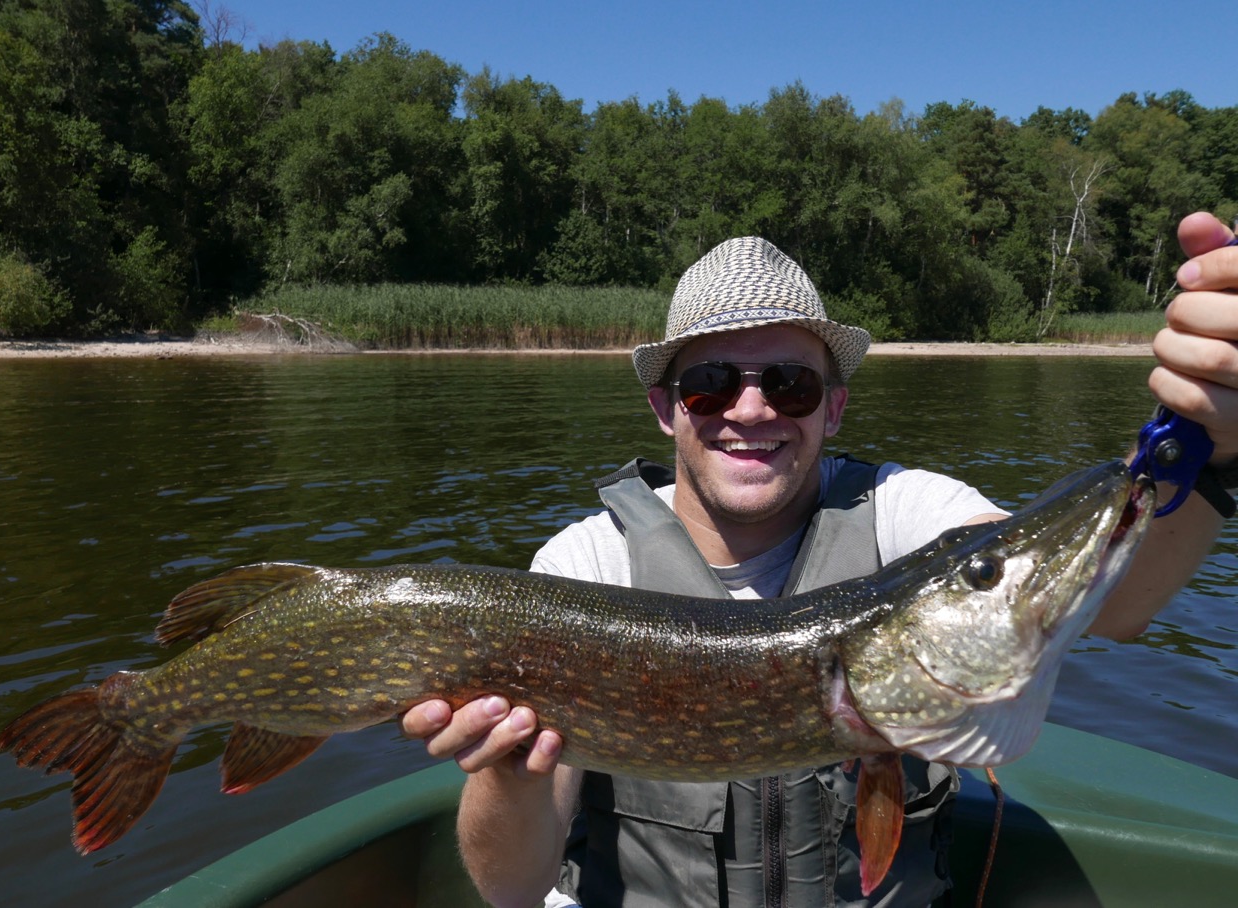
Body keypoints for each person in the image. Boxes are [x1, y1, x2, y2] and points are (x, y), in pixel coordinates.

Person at [401, 211, 1238, 907]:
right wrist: (506, 770)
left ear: (833, 408)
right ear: (666, 409)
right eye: (712, 383)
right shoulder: (583, 568)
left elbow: (1118, 602)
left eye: (791, 386)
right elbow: (513, 891)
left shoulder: (910, 515)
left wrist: (1213, 448)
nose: (752, 409)